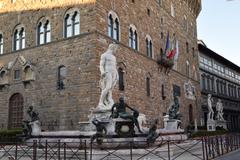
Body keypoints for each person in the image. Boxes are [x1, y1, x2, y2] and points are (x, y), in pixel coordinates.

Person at [97, 43, 119, 110]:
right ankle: (100, 102)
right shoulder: (104, 55)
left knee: (110, 89)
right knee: (107, 87)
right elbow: (101, 65)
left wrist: (117, 74)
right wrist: (102, 72)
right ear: (113, 48)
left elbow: (114, 66)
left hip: (113, 73)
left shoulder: (114, 57)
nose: (116, 50)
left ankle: (109, 101)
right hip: (107, 72)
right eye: (116, 49)